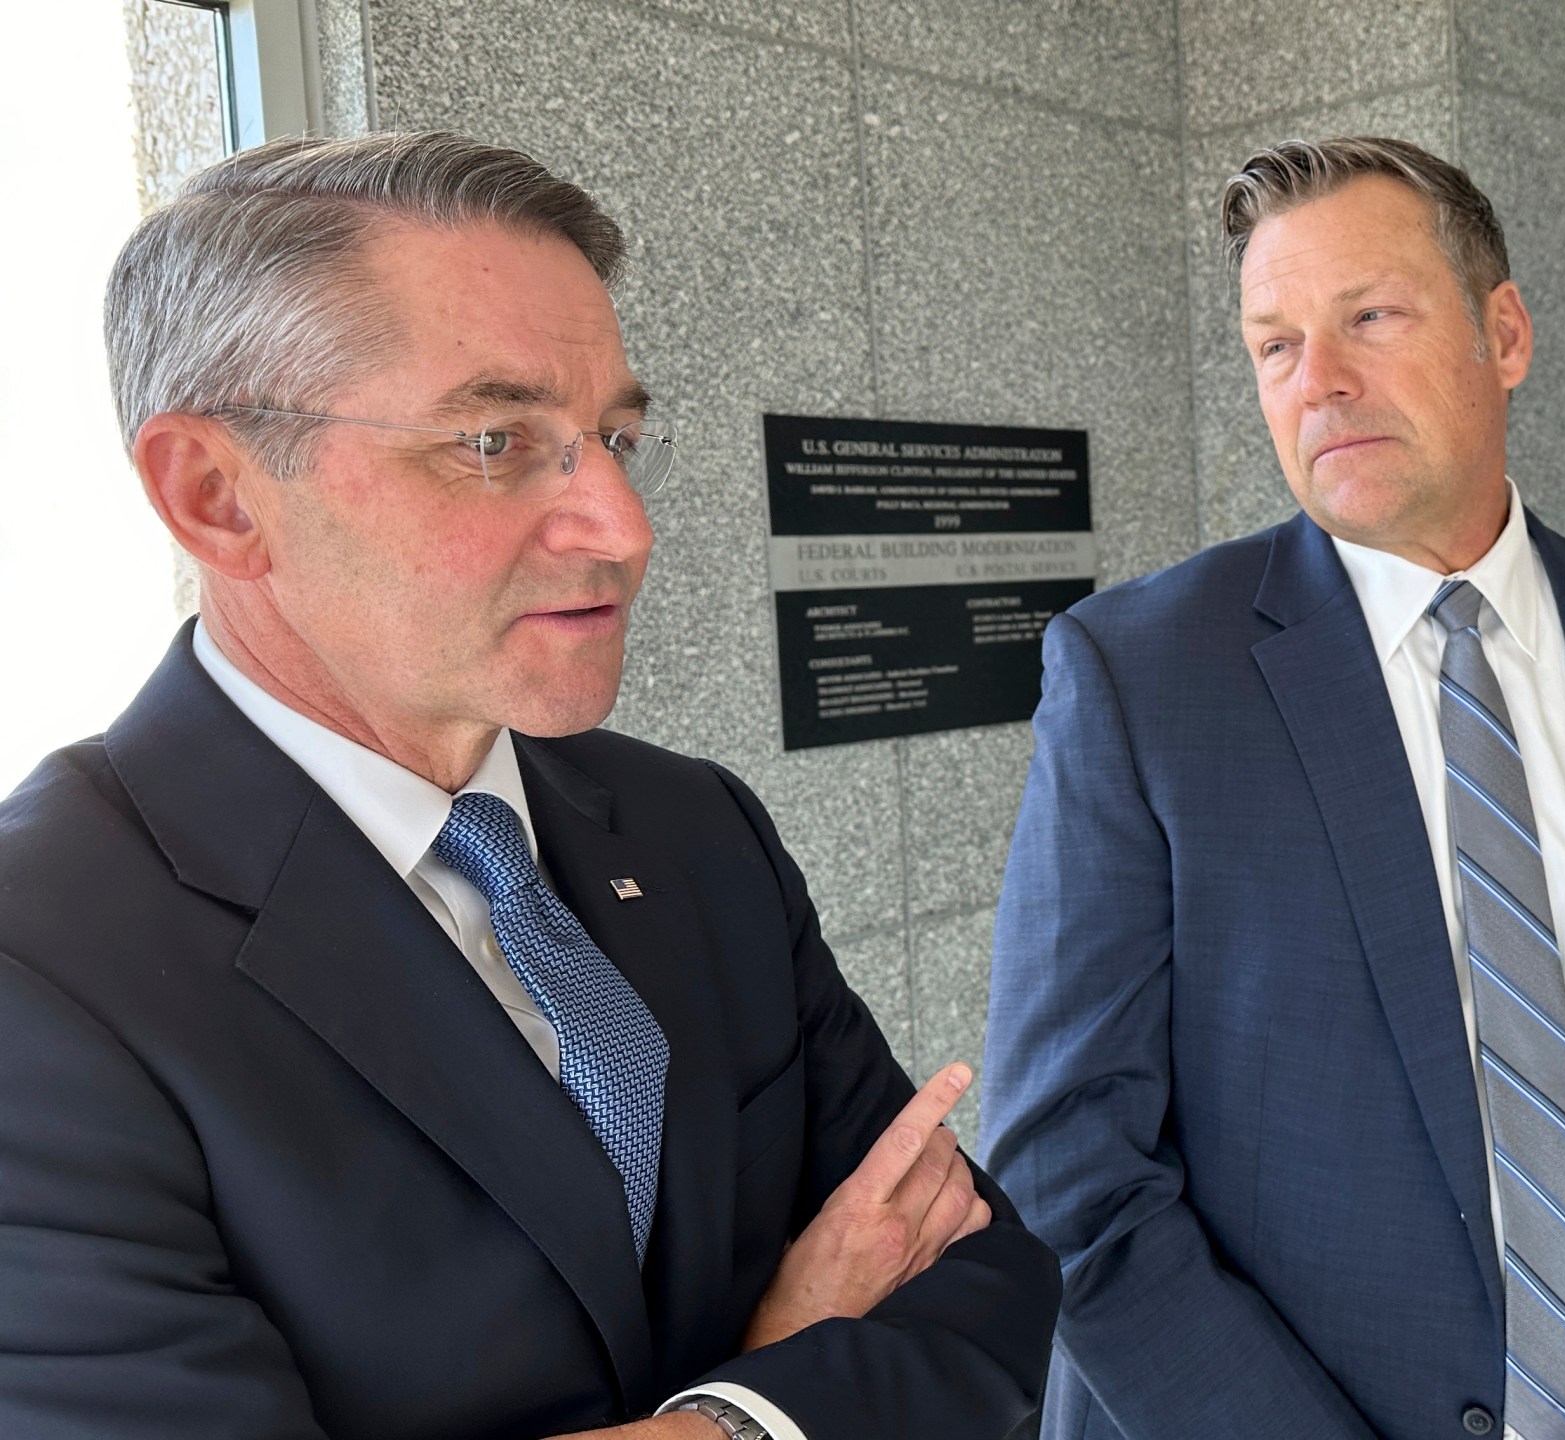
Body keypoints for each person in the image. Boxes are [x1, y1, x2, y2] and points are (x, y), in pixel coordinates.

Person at [0, 132, 1057, 1440]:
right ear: (215, 494)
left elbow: (983, 1272)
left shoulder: (695, 829)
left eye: (615, 436)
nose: (622, 525)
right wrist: (743, 1410)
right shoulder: (39, 965)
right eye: (494, 441)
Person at [980, 136, 1565, 1440]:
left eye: (1371, 318)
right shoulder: (1145, 678)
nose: (1319, 382)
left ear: (1503, 335)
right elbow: (1068, 1167)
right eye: (1274, 344)